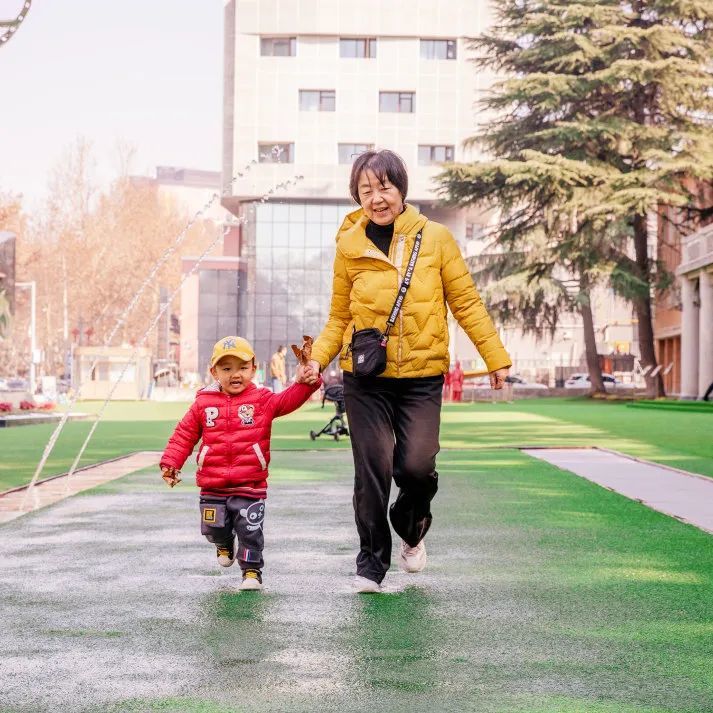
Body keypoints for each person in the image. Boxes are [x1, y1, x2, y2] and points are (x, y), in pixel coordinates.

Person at [306, 149, 511, 592]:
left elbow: (466, 302)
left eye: (385, 187)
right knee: (372, 470)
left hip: (421, 377)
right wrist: (317, 360)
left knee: (417, 468)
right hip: (367, 378)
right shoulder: (348, 245)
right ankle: (371, 562)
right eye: (366, 190)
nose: (377, 198)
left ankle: (411, 527)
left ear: (401, 189)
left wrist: (494, 357)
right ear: (356, 196)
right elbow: (339, 316)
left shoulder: (435, 238)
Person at [160, 336, 320, 591]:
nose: (235, 374)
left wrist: (306, 383)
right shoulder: (203, 403)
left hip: (250, 484)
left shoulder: (262, 400)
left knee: (250, 530)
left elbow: (288, 399)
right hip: (213, 484)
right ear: (214, 372)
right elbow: (184, 434)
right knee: (214, 527)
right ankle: (222, 543)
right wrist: (171, 462)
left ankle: (252, 572)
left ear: (254, 369)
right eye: (227, 368)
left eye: (242, 367)